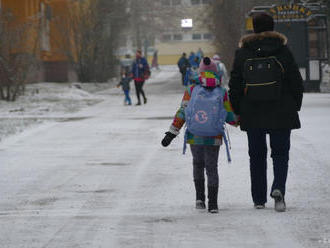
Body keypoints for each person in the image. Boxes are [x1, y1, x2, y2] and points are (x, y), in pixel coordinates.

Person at [229, 13, 303, 212]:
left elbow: (234, 83)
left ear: (253, 28)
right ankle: (278, 189)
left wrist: (237, 110)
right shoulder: (283, 50)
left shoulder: (243, 52)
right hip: (281, 109)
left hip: (252, 110)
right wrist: (294, 105)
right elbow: (296, 80)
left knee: (257, 155)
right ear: (273, 27)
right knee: (280, 154)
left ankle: (259, 199)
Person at [161, 57, 238, 213]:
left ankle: (199, 199)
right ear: (216, 73)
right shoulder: (222, 91)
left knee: (198, 164)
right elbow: (229, 115)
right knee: (212, 167)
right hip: (214, 135)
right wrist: (240, 121)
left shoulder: (191, 90)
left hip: (194, 134)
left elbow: (183, 112)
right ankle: (213, 204)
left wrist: (171, 132)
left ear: (200, 72)